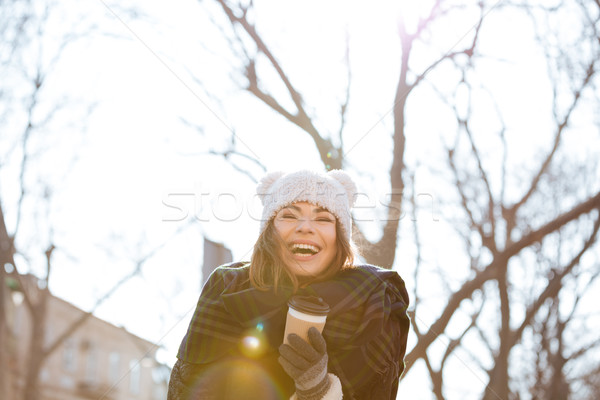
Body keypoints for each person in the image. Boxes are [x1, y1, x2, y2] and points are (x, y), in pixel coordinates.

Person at [167, 170, 410, 399]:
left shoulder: (374, 300)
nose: (305, 227)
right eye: (289, 215)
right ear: (269, 232)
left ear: (339, 239)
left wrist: (318, 390)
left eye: (323, 218)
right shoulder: (227, 288)